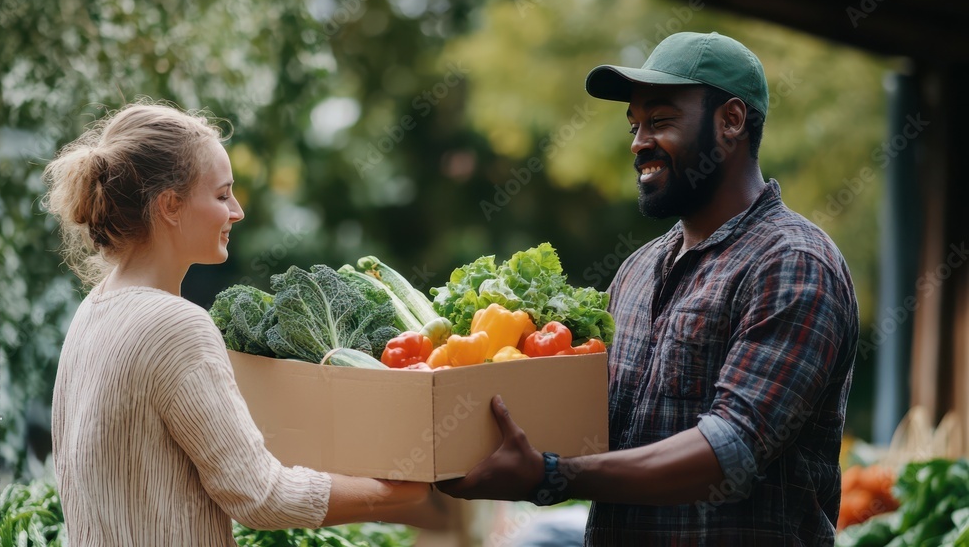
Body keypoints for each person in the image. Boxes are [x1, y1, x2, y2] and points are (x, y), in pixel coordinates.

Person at [438, 32, 859, 545]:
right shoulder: (637, 271)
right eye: (635, 125)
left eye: (660, 121)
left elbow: (728, 452)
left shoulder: (793, 263)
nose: (639, 143)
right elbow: (591, 432)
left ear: (731, 121)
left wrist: (550, 474)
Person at [44, 102, 436, 545]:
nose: (237, 212)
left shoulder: (93, 310)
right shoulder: (175, 326)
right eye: (221, 194)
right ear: (171, 205)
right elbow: (260, 496)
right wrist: (404, 494)